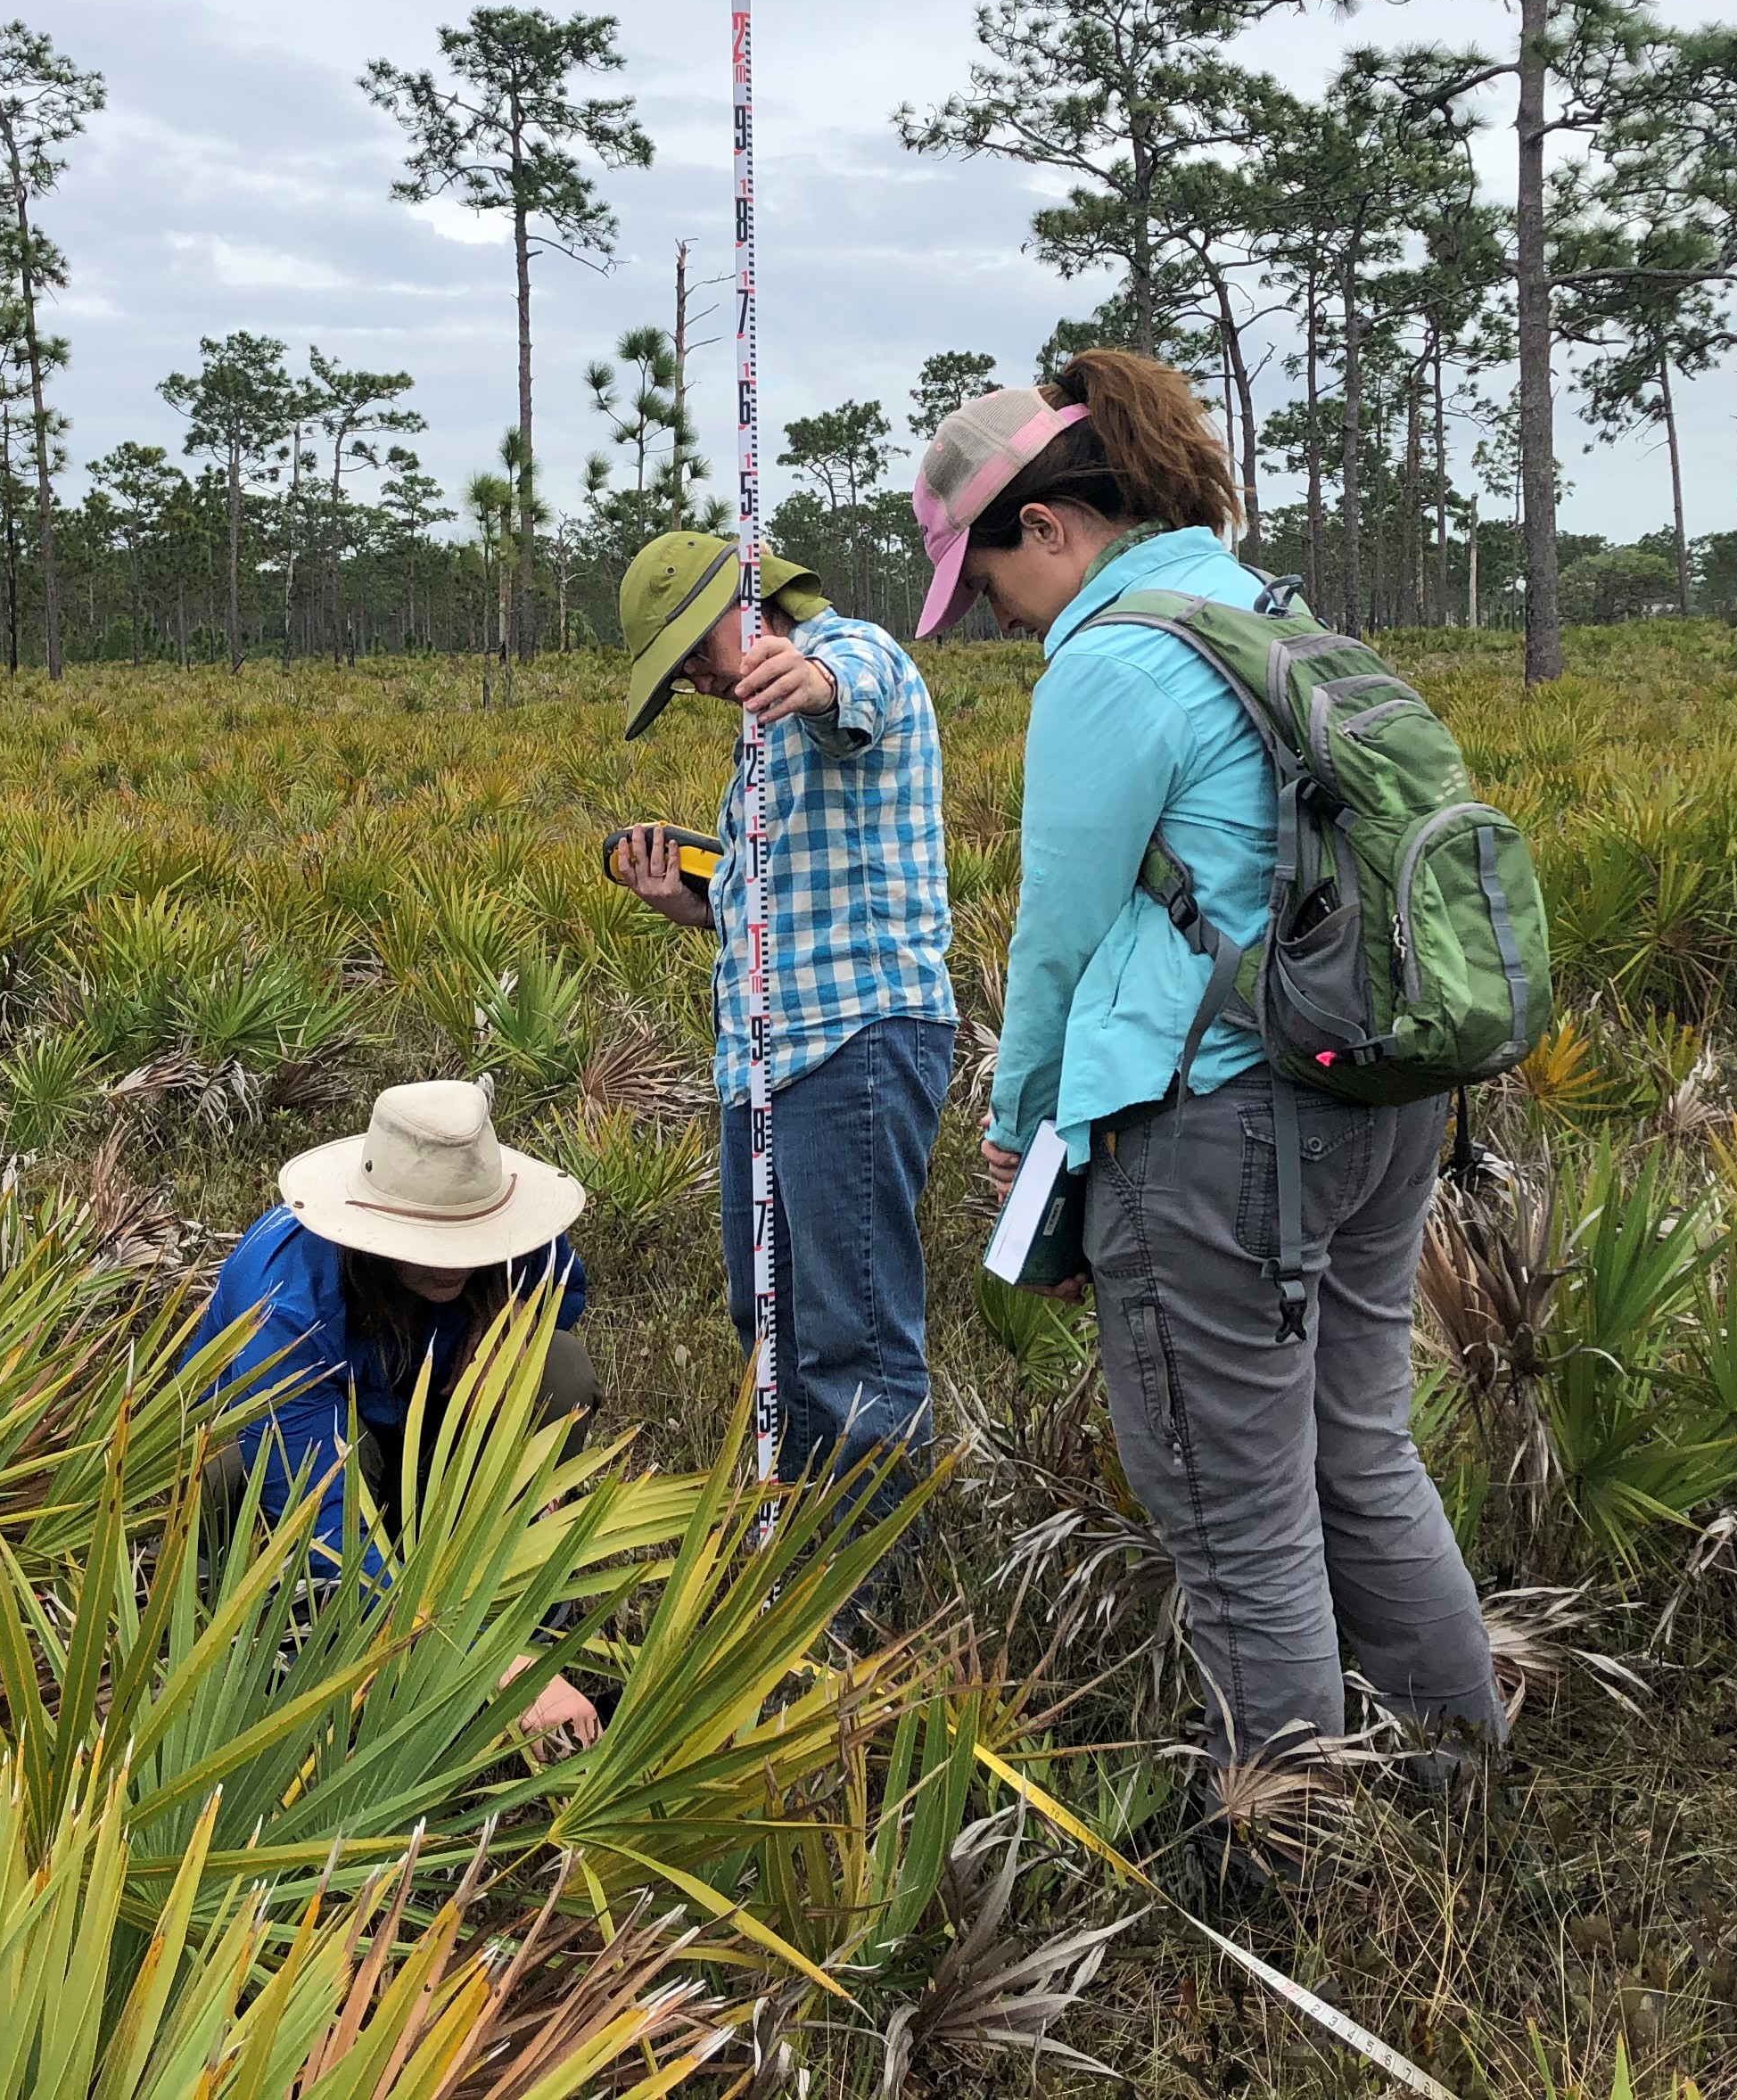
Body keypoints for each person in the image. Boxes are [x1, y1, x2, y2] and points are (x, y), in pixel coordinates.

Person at [912, 350, 1499, 1816]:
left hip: (1216, 1129)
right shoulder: (1273, 610)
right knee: (1357, 1448)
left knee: (1238, 1518)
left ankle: (1289, 1852)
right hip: (1376, 1096)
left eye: (983, 579)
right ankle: (1455, 1788)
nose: (989, 616)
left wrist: (1013, 1148)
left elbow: (1051, 945)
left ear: (1046, 523)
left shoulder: (1115, 659)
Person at [609, 529, 953, 1505]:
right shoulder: (750, 752)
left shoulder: (853, 651)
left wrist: (807, 679)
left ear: (744, 606)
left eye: (695, 658)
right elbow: (770, 907)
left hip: (854, 1040)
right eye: (677, 678)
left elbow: (857, 694)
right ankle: (797, 1550)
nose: (699, 685)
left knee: (853, 1336)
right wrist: (692, 903)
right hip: (764, 1059)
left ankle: (873, 1596)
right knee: (770, 1322)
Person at [182, 1076, 604, 1747]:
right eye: (430, 1244)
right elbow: (319, 1514)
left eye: (469, 1240)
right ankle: (271, 1629)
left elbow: (565, 1287)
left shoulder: (520, 1241)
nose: (451, 1267)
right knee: (232, 1472)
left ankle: (517, 1579)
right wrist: (493, 1663)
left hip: (415, 1421)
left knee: (558, 1365)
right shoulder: (287, 1300)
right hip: (300, 1463)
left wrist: (511, 1329)